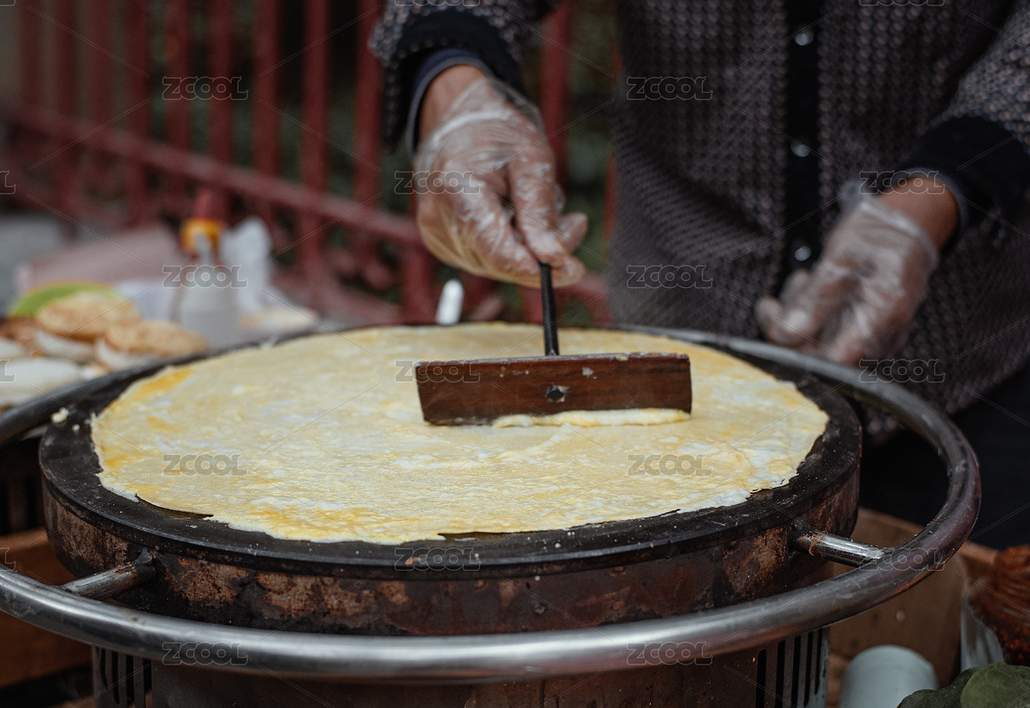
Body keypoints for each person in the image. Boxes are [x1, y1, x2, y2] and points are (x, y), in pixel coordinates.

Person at [371, 1, 1030, 548]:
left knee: (967, 638)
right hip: (676, 361)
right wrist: (455, 88)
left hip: (961, 359)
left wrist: (944, 189)